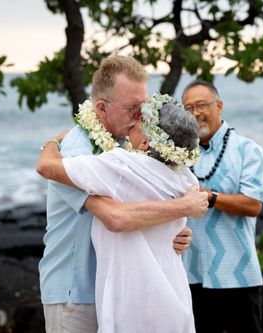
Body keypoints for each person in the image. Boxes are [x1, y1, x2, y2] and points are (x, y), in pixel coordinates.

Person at [38, 56, 207, 333]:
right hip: (75, 292)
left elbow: (141, 207)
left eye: (144, 107)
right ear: (102, 107)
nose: (141, 117)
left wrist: (171, 231)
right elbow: (116, 217)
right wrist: (183, 207)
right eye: (132, 109)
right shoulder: (76, 150)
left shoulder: (126, 145)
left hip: (110, 292)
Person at [181, 80, 263, 333]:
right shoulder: (180, 153)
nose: (195, 113)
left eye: (201, 105)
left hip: (238, 274)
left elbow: (253, 204)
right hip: (191, 273)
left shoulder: (247, 150)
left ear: (218, 106)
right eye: (188, 108)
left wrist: (209, 197)